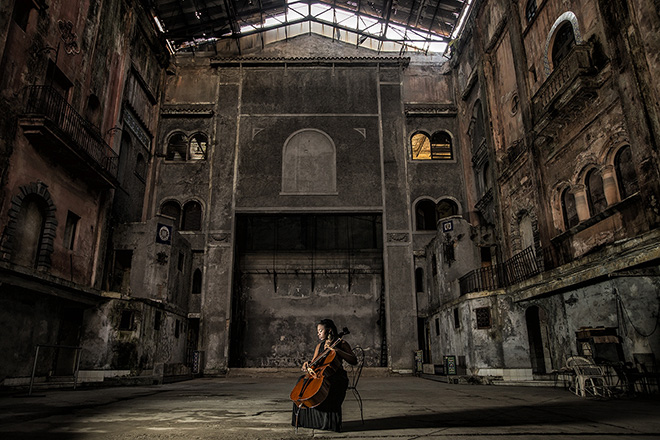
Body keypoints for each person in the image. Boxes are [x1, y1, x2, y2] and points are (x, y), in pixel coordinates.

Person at [291, 319, 357, 432]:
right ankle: (306, 420)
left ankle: (329, 424)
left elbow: (354, 360)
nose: (318, 334)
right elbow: (313, 362)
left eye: (321, 331)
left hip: (337, 376)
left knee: (331, 384)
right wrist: (307, 365)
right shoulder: (319, 346)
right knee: (301, 380)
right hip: (321, 374)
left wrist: (337, 351)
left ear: (329, 330)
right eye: (318, 331)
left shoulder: (341, 343)